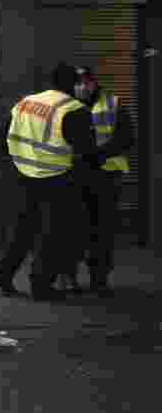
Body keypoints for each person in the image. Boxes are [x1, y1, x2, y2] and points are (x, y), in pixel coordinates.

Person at [0, 63, 96, 301]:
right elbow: (86, 151)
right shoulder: (73, 110)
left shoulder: (25, 103)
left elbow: (3, 136)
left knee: (22, 229)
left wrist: (20, 161)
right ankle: (41, 285)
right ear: (73, 84)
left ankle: (4, 275)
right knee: (53, 234)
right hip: (58, 178)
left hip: (24, 174)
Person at [66, 66, 134, 297]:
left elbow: (126, 138)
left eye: (87, 82)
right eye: (78, 82)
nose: (83, 87)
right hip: (75, 175)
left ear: (95, 83)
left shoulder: (113, 104)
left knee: (102, 231)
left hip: (106, 176)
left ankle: (99, 280)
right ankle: (70, 278)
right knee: (73, 229)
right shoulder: (66, 105)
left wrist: (98, 155)